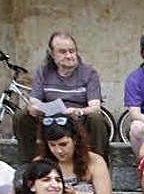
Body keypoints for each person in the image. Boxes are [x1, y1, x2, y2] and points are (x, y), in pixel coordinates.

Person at [13, 32, 108, 162]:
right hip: (49, 117)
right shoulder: (43, 72)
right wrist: (35, 109)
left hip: (76, 118)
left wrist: (79, 111)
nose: (69, 55)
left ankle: (98, 162)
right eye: (63, 52)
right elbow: (33, 103)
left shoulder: (89, 73)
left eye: (72, 51)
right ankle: (31, 162)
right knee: (21, 116)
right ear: (52, 54)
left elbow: (95, 107)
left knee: (96, 118)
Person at [36, 115, 120, 194]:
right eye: (52, 145)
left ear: (75, 140)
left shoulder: (95, 161)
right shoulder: (40, 162)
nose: (58, 150)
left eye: (63, 144)